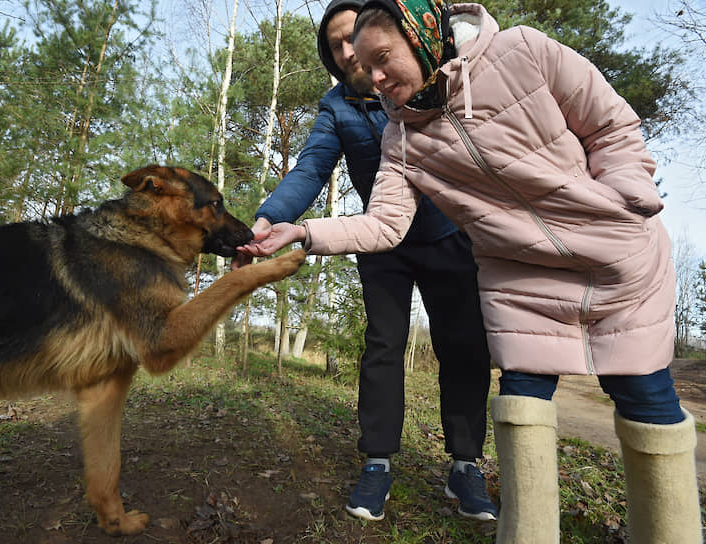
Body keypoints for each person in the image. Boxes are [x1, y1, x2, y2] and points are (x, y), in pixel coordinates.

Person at [238, 1, 703, 542]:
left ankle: (466, 466)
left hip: (506, 243)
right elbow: (330, 182)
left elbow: (608, 124)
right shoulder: (379, 127)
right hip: (450, 256)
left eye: (374, 53)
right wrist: (287, 223)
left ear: (420, 34)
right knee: (439, 369)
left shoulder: (519, 52)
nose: (365, 68)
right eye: (351, 56)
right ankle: (382, 464)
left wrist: (626, 200)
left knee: (492, 355)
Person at [231, 0, 496, 523]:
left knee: (464, 346)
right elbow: (309, 172)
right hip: (380, 240)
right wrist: (266, 221)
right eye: (335, 44)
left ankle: (465, 466)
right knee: (383, 347)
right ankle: (377, 463)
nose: (349, 50)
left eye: (355, 35)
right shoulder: (337, 109)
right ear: (330, 58)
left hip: (448, 237)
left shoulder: (426, 80)